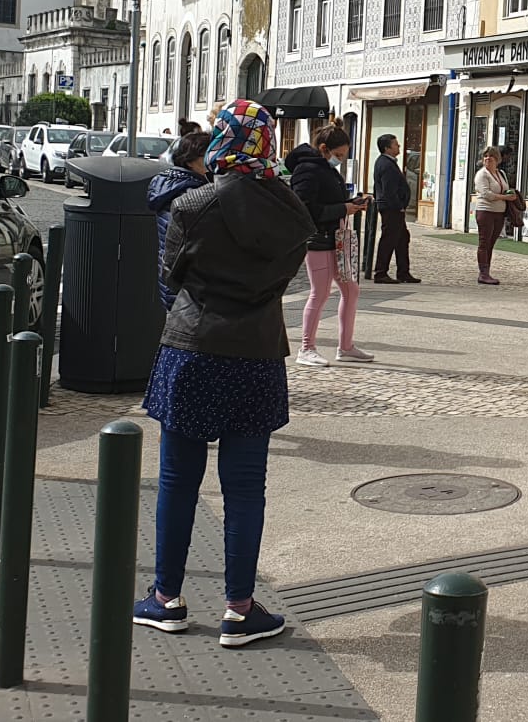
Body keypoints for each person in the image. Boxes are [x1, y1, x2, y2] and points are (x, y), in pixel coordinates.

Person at [131, 100, 314, 648]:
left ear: (224, 141)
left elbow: (170, 275)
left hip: (192, 346)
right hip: (256, 352)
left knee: (177, 480)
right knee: (245, 487)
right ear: (267, 142)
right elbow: (282, 282)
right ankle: (239, 608)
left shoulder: (193, 204)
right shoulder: (291, 211)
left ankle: (166, 600)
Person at [287, 124, 374, 367]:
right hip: (318, 240)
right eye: (339, 155)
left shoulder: (325, 169)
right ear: (324, 149)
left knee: (351, 290)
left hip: (335, 238)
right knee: (320, 293)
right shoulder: (307, 170)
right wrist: (342, 208)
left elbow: (329, 200)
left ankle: (346, 346)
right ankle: (306, 348)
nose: (340, 160)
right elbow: (304, 208)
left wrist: (351, 203)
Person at [147, 132, 213, 310]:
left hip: (174, 279)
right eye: (206, 155)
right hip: (185, 283)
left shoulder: (172, 184)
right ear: (190, 159)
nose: (211, 161)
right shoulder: (189, 193)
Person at [371, 133, 419, 284]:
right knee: (389, 239)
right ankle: (381, 272)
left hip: (393, 207)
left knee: (402, 238)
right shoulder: (385, 164)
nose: (399, 146)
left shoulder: (388, 162)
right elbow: (388, 189)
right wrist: (399, 206)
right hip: (392, 208)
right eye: (395, 144)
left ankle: (403, 272)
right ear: (387, 148)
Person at [473, 146, 517, 285]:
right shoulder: (482, 174)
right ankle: (483, 273)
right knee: (484, 242)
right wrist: (504, 198)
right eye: (485, 156)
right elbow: (486, 194)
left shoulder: (501, 173)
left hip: (499, 213)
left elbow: (505, 189)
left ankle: (487, 271)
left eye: (491, 156)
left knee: (491, 243)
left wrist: (511, 194)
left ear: (497, 159)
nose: (487, 159)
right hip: (485, 211)